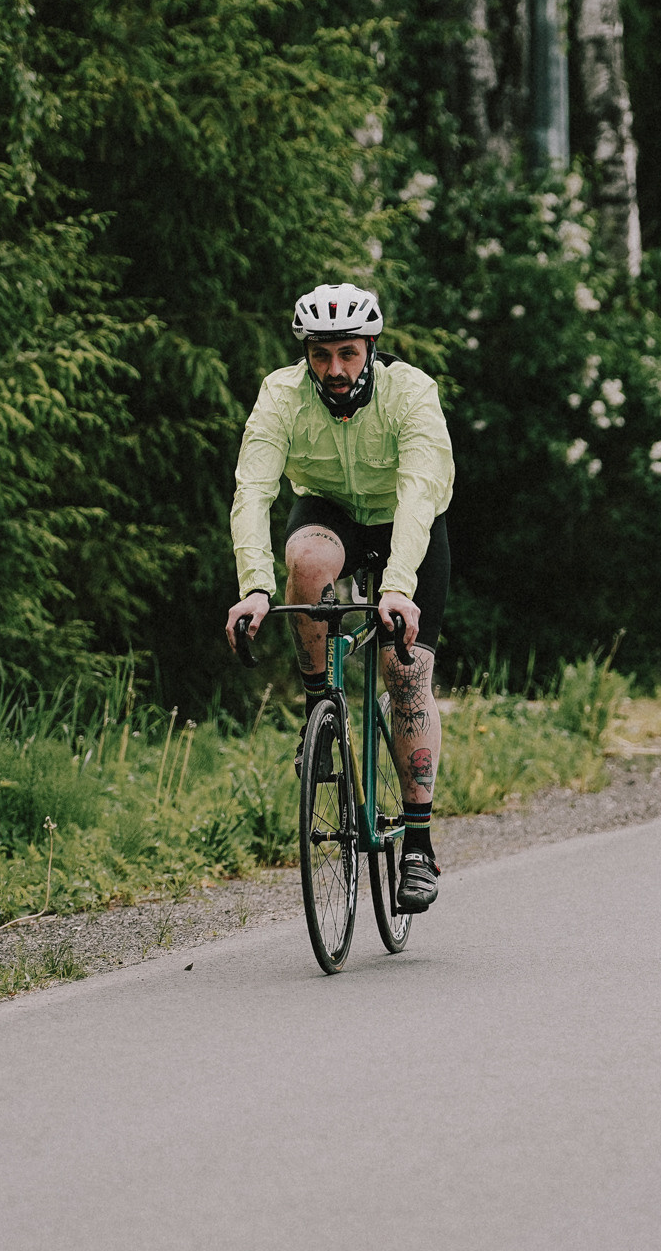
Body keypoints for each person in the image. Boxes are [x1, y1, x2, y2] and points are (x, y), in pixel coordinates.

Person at [224, 283, 456, 913]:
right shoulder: (281, 395)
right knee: (306, 560)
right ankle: (321, 706)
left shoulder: (412, 394)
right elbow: (253, 491)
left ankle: (416, 843)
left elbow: (417, 496)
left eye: (348, 354)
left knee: (405, 674)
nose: (335, 370)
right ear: (306, 354)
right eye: (321, 356)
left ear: (370, 349)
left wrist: (399, 589)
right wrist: (254, 588)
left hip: (407, 522)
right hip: (330, 513)